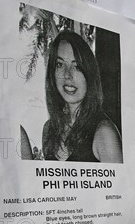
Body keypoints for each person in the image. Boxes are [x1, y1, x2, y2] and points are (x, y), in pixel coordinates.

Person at [42, 30, 123, 163]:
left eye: (77, 67)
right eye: (60, 65)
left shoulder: (104, 133)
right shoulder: (49, 130)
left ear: (89, 75)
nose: (67, 75)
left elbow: (121, 184)